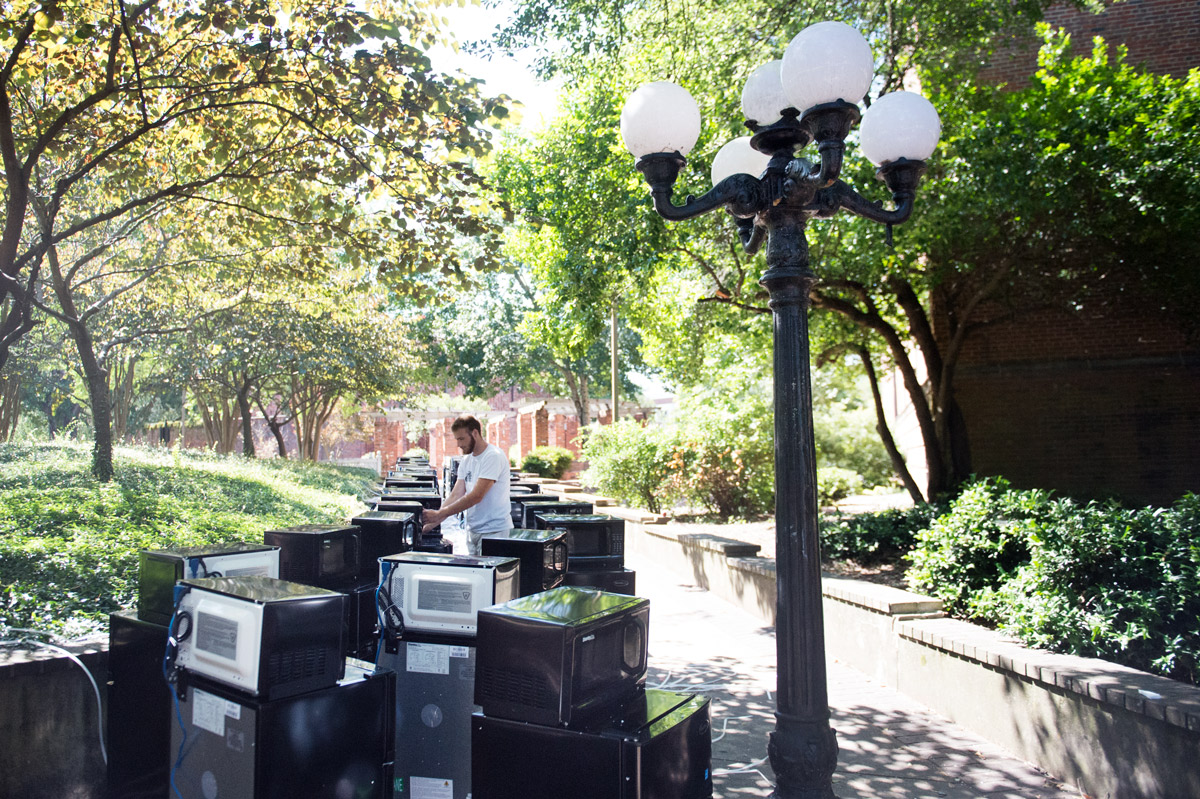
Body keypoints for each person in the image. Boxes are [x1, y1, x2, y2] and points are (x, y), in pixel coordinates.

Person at [422, 414, 512, 555]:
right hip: (473, 531)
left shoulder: (493, 456)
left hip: (494, 532)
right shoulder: (466, 460)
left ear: (475, 433)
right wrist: (432, 523)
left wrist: (440, 514)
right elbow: (456, 495)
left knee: (489, 576)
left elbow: (476, 496)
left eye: (461, 439)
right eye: (457, 439)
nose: (458, 444)